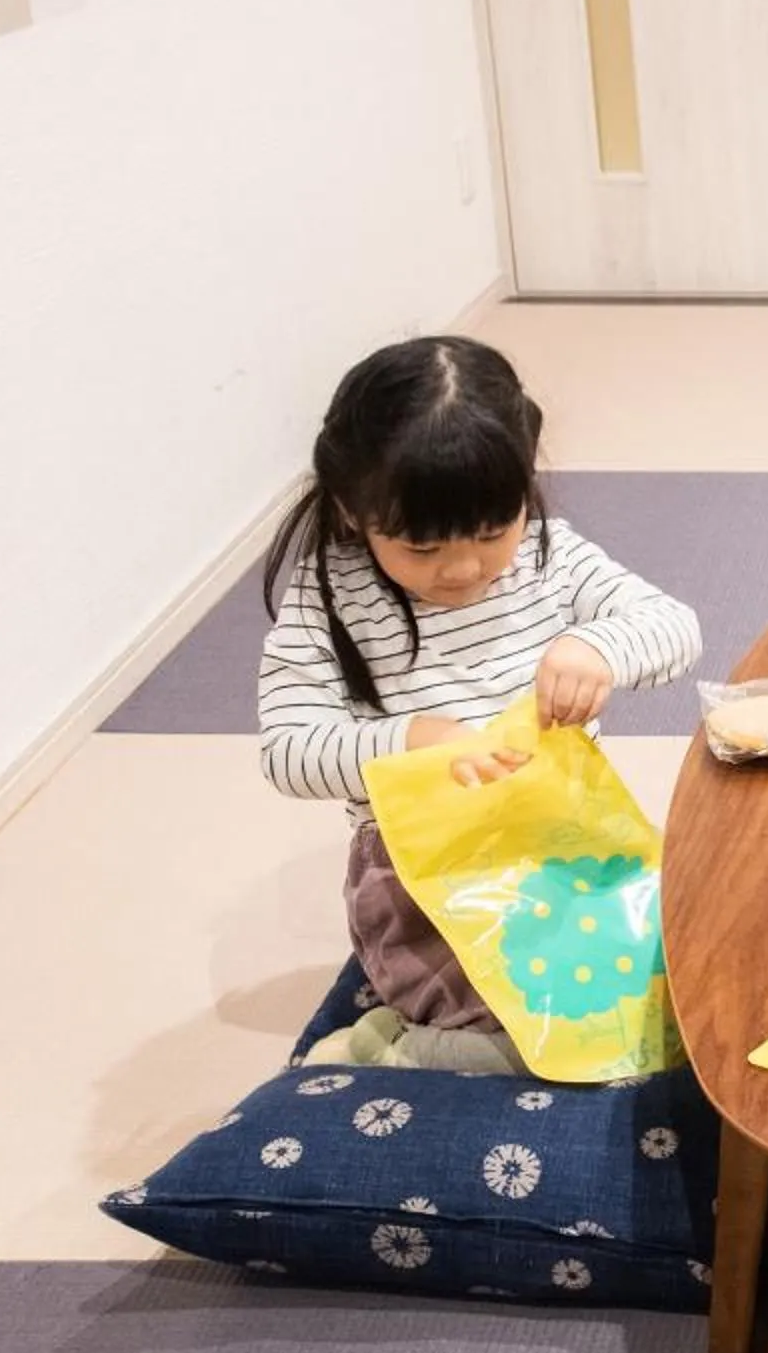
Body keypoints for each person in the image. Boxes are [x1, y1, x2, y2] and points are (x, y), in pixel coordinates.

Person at [256, 336, 698, 1071]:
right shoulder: (329, 597)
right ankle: (399, 1053)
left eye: (492, 532)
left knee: (663, 989)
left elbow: (675, 628)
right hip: (419, 870)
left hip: (560, 836)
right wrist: (410, 742)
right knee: (540, 1033)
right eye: (421, 549)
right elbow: (287, 752)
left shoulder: (550, 556)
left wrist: (597, 650)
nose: (464, 568)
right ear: (351, 511)